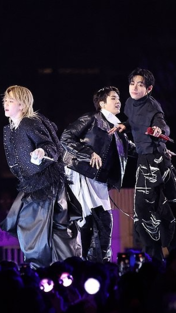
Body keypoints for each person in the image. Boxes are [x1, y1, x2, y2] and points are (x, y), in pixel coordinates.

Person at [122, 68, 176, 261]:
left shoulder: (153, 107)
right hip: (143, 161)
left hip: (156, 161)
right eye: (132, 83)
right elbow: (132, 121)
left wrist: (160, 130)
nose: (135, 87)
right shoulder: (129, 103)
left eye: (140, 84)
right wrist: (124, 126)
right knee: (147, 212)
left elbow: (162, 124)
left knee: (166, 210)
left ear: (149, 89)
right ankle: (155, 260)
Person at [0, 85, 80, 269]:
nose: (6, 104)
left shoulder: (29, 122)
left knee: (37, 227)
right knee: (40, 227)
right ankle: (56, 267)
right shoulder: (13, 128)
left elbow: (49, 145)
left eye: (10, 101)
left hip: (45, 182)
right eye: (5, 101)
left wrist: (42, 151)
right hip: (32, 183)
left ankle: (47, 268)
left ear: (22, 105)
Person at [61, 86, 135, 263]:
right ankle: (85, 263)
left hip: (98, 179)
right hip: (80, 173)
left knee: (103, 222)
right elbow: (66, 137)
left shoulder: (118, 129)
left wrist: (156, 149)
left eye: (119, 98)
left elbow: (133, 148)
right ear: (102, 103)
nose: (118, 101)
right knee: (86, 221)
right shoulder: (92, 118)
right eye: (113, 98)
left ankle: (99, 263)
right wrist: (89, 153)